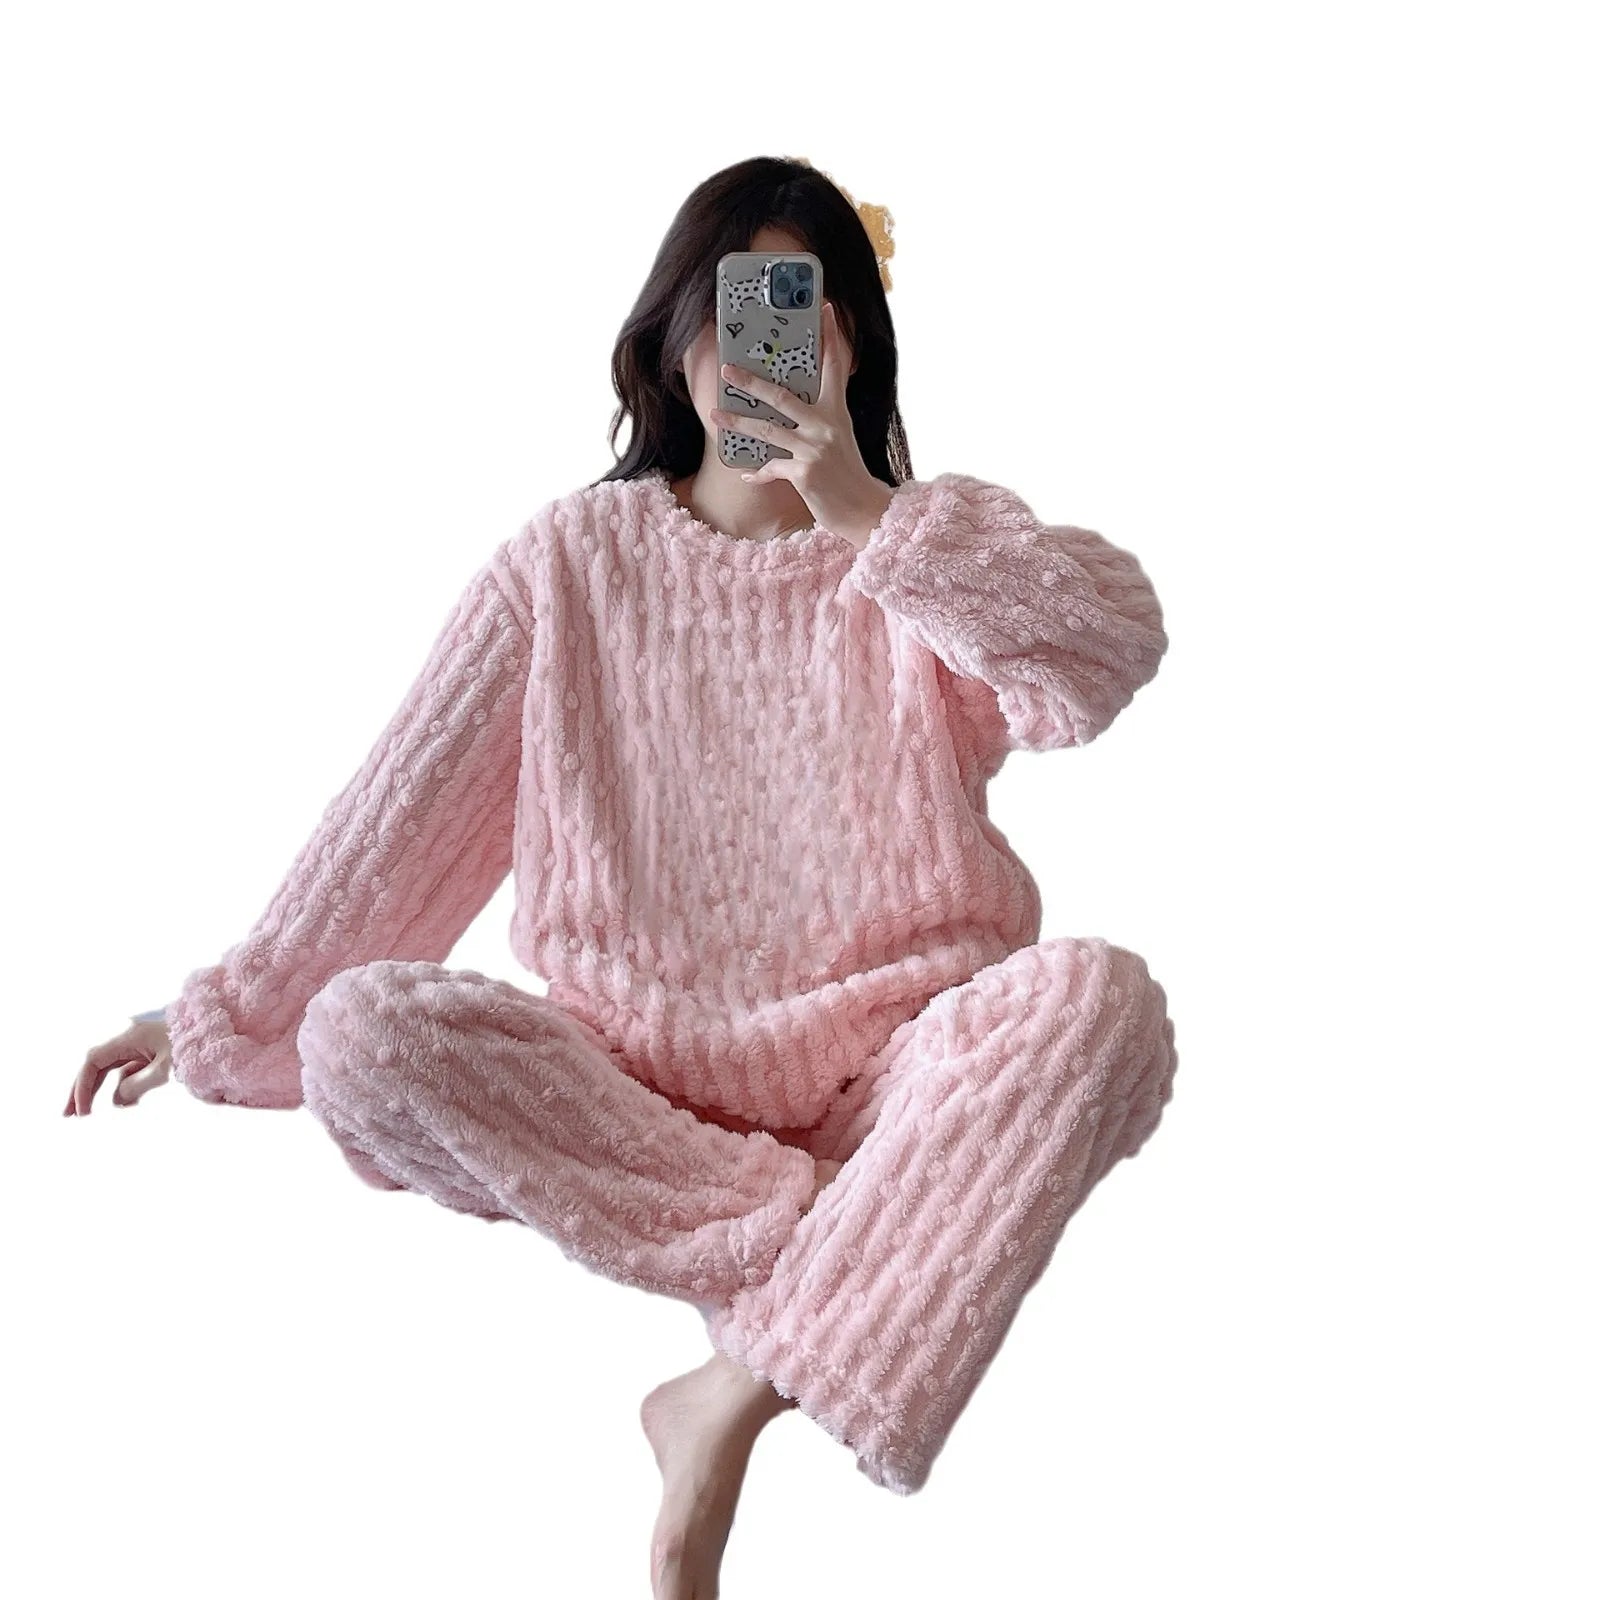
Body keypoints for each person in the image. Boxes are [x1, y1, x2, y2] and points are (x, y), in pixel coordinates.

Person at [65, 155, 1178, 1599]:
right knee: (359, 1034)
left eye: (805, 310)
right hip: (627, 1101)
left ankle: (729, 1395)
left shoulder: (926, 555)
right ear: (673, 340)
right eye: (735, 308)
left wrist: (860, 509)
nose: (760, 348)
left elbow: (1103, 655)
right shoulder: (569, 562)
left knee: (1103, 1005)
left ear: (851, 347)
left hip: (888, 1085)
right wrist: (218, 1014)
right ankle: (851, 1241)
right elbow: (403, 816)